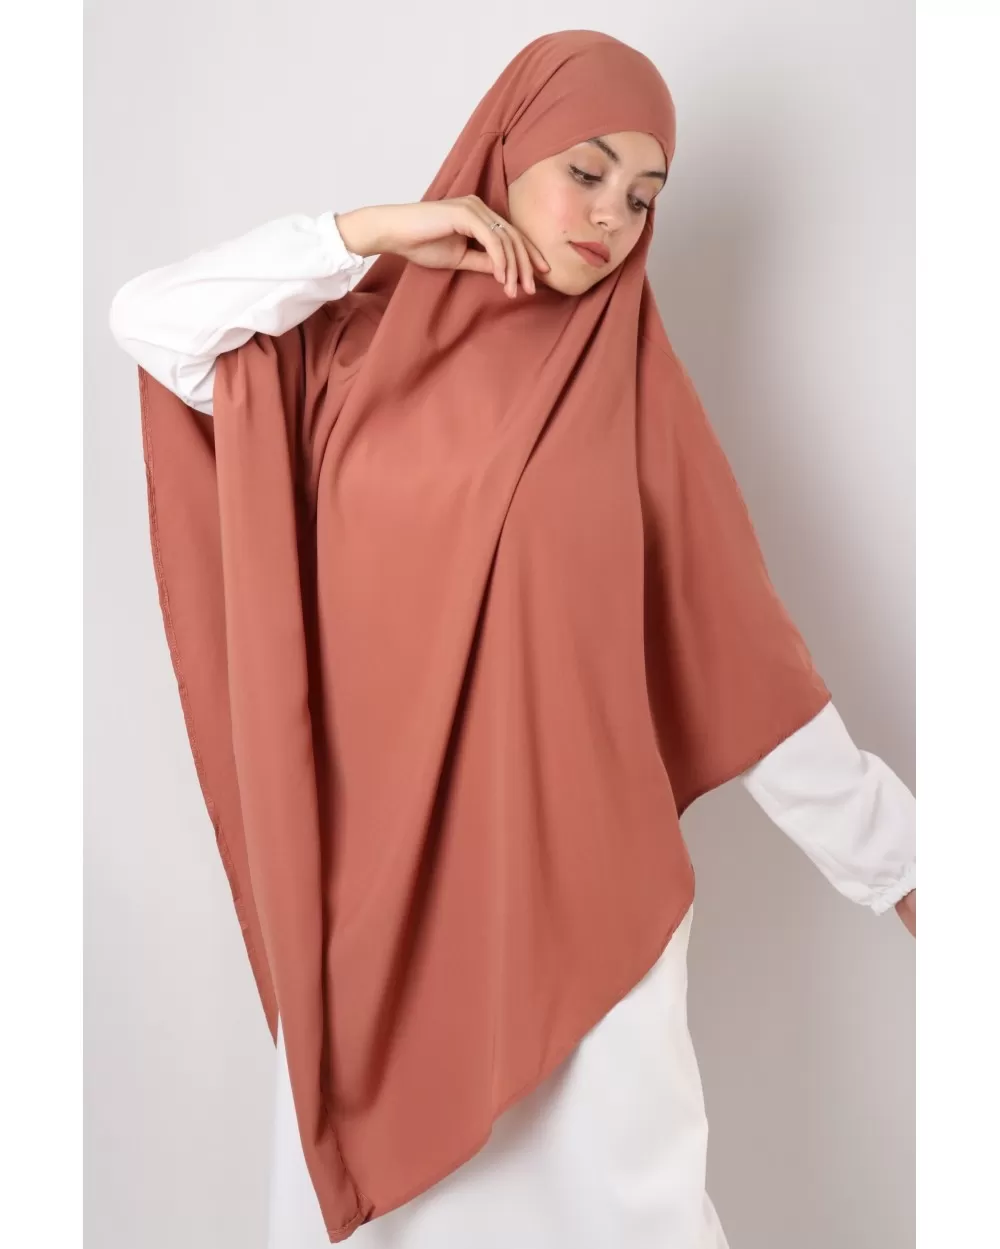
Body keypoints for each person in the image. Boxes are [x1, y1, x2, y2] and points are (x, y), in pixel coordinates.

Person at [109, 29, 915, 1249]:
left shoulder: (635, 398)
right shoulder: (341, 360)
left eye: (642, 196)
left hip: (590, 917)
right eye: (585, 171)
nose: (610, 218)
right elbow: (151, 320)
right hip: (378, 924)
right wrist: (372, 234)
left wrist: (902, 864)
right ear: (505, 150)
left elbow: (745, 659)